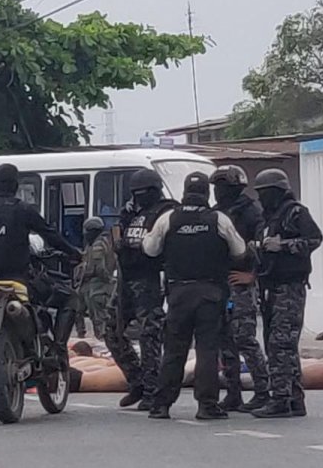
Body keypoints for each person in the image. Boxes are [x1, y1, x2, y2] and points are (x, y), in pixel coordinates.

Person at [0, 163, 81, 420]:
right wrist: (74, 252)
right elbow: (50, 235)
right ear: (16, 186)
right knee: (69, 297)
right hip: (18, 281)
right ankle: (58, 350)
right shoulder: (23, 210)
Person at [143, 172, 248, 420]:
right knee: (207, 350)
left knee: (174, 350)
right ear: (207, 194)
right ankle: (207, 405)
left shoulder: (168, 218)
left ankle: (161, 405)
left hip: (179, 292)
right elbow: (240, 250)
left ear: (184, 192)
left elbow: (149, 249)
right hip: (211, 292)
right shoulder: (218, 219)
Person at [104, 168, 177, 411]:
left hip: (151, 279)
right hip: (126, 277)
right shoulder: (131, 212)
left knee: (149, 335)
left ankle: (152, 388)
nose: (138, 197)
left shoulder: (167, 211)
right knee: (111, 330)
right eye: (135, 194)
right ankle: (136, 380)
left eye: (143, 193)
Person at [251, 168, 321, 419]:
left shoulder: (295, 212)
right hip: (270, 286)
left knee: (280, 344)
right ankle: (293, 397)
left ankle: (281, 398)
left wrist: (283, 246)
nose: (261, 199)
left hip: (290, 287)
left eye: (265, 193)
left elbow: (314, 239)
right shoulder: (268, 218)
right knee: (279, 344)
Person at [210, 165, 271, 413]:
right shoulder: (215, 213)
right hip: (220, 283)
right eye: (216, 187)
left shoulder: (251, 212)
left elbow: (262, 247)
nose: (218, 191)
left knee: (245, 338)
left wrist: (253, 275)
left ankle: (262, 391)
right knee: (224, 340)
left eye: (222, 187)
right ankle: (233, 393)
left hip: (241, 284)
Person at [76, 217, 116, 340]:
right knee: (77, 307)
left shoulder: (98, 245)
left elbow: (99, 267)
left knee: (98, 316)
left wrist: (107, 279)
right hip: (91, 283)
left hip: (97, 284)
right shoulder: (98, 243)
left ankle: (101, 338)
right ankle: (82, 334)